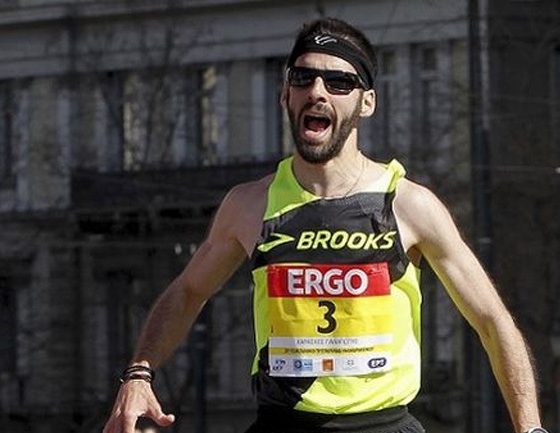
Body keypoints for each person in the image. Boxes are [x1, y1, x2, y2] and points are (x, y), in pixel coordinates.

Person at [102, 17, 546, 433]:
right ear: (285, 94)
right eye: (303, 77)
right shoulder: (249, 205)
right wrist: (139, 374)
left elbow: (492, 321)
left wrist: (530, 427)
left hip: (383, 425)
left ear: (367, 102)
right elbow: (187, 291)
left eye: (339, 82)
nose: (317, 91)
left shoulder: (408, 205)